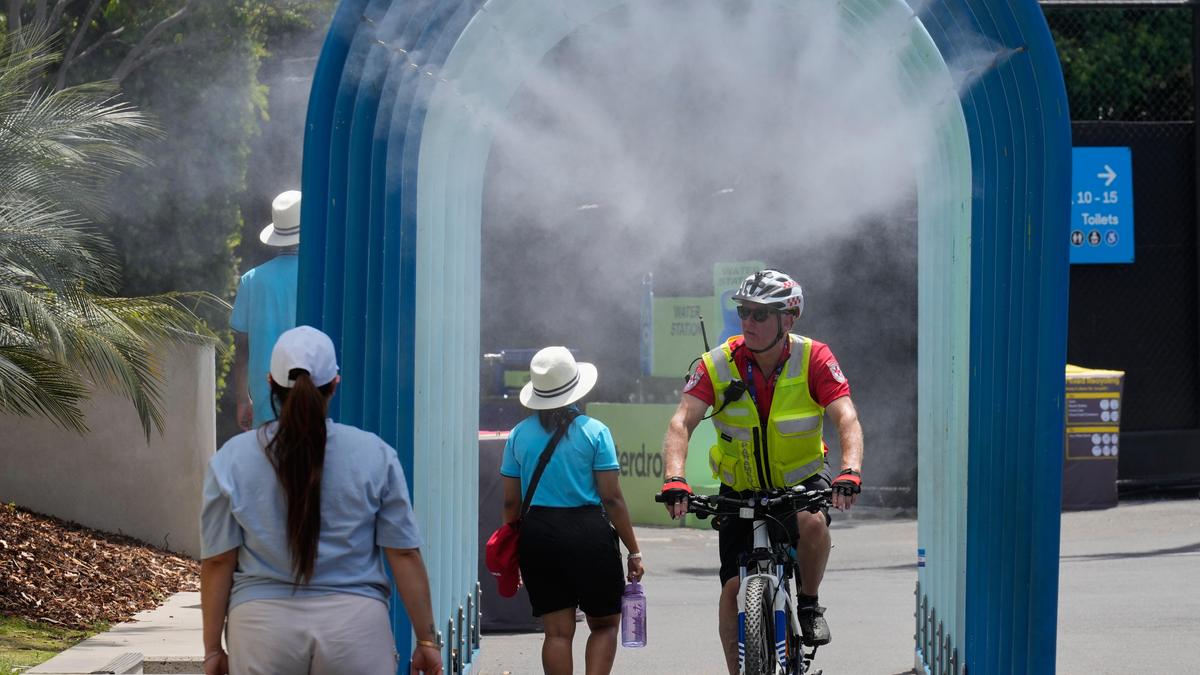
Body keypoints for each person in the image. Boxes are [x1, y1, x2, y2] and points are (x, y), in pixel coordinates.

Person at [199, 326, 442, 675]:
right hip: (355, 629)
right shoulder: (375, 454)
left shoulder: (230, 460)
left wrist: (212, 649)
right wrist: (427, 641)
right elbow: (404, 553)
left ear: (270, 383)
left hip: (261, 631)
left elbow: (219, 560)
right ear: (334, 384)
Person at [658, 269, 864, 674]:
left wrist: (849, 470)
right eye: (743, 312)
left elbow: (846, 417)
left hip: (800, 481)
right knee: (731, 591)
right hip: (740, 487)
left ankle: (808, 604)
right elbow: (681, 422)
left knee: (813, 525)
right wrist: (674, 477)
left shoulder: (814, 358)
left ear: (789, 318)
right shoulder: (717, 364)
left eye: (760, 314)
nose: (748, 322)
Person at [499, 346, 644, 675]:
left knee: (557, 633)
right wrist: (633, 551)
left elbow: (510, 503)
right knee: (604, 625)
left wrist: (514, 543)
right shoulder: (595, 432)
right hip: (589, 534)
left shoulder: (519, 435)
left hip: (538, 536)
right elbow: (612, 498)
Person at [231, 190, 302, 431]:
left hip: (266, 406)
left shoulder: (251, 280)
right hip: (314, 401)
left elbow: (242, 348)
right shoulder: (322, 278)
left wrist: (243, 400)